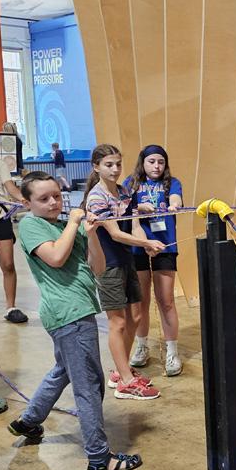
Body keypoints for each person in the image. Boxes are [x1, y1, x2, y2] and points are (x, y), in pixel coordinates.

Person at [7, 171, 143, 470]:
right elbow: (56, 257)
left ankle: (29, 420)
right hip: (68, 314)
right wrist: (73, 223)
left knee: (65, 370)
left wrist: (91, 233)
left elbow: (99, 267)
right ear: (27, 203)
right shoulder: (31, 225)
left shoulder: (67, 226)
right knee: (89, 385)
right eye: (43, 199)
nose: (53, 203)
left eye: (57, 196)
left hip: (80, 309)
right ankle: (99, 458)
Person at [83, 144, 165, 400]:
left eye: (118, 164)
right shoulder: (96, 197)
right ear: (96, 167)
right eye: (109, 165)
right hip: (108, 263)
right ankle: (126, 382)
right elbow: (116, 234)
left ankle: (121, 370)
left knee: (135, 317)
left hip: (127, 259)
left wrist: (146, 244)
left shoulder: (125, 191)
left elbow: (134, 224)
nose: (115, 169)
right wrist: (146, 243)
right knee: (117, 322)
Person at [124, 145, 183, 376]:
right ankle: (142, 346)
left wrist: (174, 205)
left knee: (166, 300)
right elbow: (122, 205)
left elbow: (176, 199)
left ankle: (172, 352)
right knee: (141, 301)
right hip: (137, 245)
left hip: (164, 246)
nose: (156, 166)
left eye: (161, 162)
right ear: (143, 163)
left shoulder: (172, 183)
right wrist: (138, 206)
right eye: (151, 161)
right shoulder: (131, 183)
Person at [0, 155, 28, 323]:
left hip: (0, 217)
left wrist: (23, 199)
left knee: (8, 264)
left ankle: (11, 308)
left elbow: (10, 187)